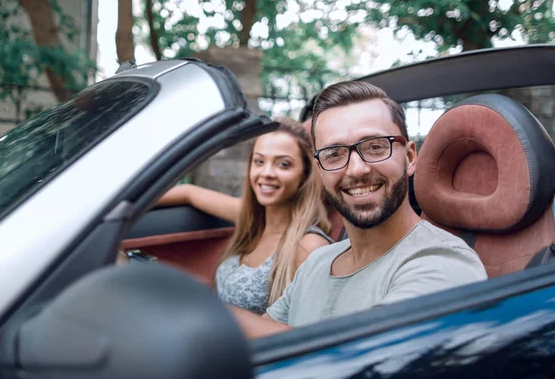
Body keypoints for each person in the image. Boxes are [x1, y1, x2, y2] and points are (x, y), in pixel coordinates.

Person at [230, 81, 488, 339]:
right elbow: (258, 346)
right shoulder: (316, 264)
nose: (356, 169)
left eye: (375, 146)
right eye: (333, 153)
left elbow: (358, 360)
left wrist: (210, 313)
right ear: (320, 170)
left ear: (409, 158)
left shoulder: (443, 263)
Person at [158, 117, 333, 314]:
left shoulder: (309, 247)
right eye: (259, 161)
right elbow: (188, 192)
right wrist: (120, 202)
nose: (266, 172)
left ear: (304, 173)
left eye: (283, 164)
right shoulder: (251, 218)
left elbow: (311, 331)